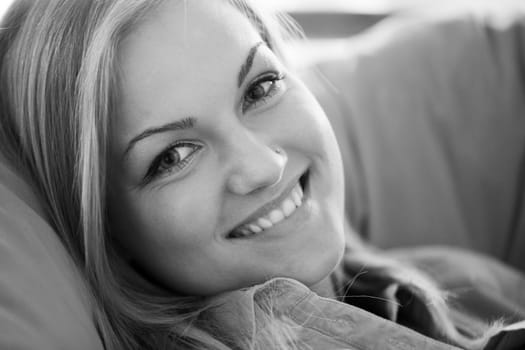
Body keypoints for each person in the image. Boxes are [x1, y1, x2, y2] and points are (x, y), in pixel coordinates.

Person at [0, 0, 523, 349]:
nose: (264, 166)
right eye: (175, 155)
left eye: (261, 87)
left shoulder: (452, 276)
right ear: (108, 229)